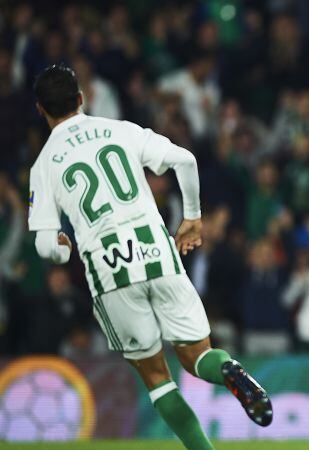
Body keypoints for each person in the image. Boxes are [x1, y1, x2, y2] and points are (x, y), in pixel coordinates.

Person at [28, 65, 272, 450]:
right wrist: (192, 216)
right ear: (80, 98)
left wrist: (62, 247)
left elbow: (47, 248)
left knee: (157, 378)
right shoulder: (122, 130)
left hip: (110, 271)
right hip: (158, 251)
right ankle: (228, 370)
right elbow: (186, 160)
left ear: (40, 109)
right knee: (198, 356)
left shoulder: (43, 165)